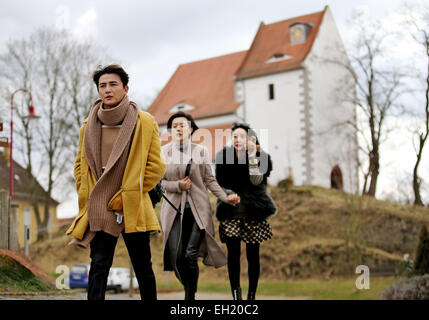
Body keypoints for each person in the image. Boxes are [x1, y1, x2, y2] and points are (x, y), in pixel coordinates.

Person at [66, 64, 166, 301]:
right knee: (99, 264)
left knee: (143, 266)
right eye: (103, 85)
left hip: (132, 202)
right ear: (98, 90)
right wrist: (86, 191)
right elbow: (80, 165)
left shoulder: (145, 121)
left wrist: (129, 193)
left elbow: (156, 166)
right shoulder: (87, 125)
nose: (107, 89)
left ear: (125, 88)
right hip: (100, 203)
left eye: (113, 84)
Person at [160, 111, 240, 300]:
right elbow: (158, 183)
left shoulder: (201, 151)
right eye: (175, 126)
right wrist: (177, 185)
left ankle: (190, 299)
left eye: (183, 125)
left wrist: (225, 197)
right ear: (171, 130)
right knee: (177, 257)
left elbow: (209, 180)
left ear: (191, 129)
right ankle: (190, 289)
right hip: (173, 210)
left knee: (190, 255)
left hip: (198, 210)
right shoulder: (163, 153)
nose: (179, 128)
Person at [215, 122, 277, 300]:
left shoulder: (260, 156)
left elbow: (257, 181)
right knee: (233, 255)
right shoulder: (223, 157)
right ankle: (236, 295)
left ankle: (251, 295)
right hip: (231, 211)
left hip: (253, 212)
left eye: (242, 136)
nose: (237, 140)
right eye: (235, 136)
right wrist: (229, 195)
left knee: (253, 255)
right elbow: (219, 184)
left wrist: (251, 155)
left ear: (250, 139)